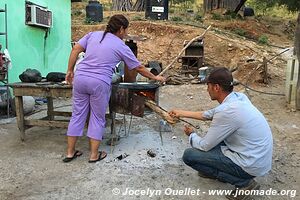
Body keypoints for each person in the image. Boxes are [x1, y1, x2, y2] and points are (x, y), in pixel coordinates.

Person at [63, 14, 165, 163]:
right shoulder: (120, 45)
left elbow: (75, 50)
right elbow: (138, 67)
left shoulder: (92, 35)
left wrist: (70, 71)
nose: (126, 33)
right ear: (121, 29)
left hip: (80, 79)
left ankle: (70, 153)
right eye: (126, 30)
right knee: (97, 118)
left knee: (77, 115)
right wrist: (155, 77)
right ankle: (93, 155)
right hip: (99, 82)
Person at [169, 67, 273, 200]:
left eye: (208, 86)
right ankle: (219, 170)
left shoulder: (227, 111)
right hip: (258, 157)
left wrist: (192, 135)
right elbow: (208, 115)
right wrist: (180, 112)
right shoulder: (239, 98)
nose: (207, 89)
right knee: (215, 139)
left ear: (216, 87)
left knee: (189, 155)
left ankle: (245, 184)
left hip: (250, 164)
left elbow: (204, 146)